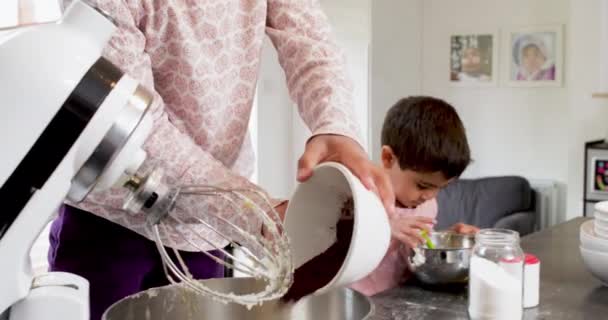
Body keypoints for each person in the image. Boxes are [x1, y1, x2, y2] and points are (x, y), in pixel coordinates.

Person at [50, 1, 394, 319]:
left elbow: (309, 41)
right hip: (109, 216)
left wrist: (336, 126)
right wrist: (252, 210)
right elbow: (138, 124)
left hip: (207, 228)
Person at [351, 96, 479, 296]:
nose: (430, 196)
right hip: (359, 303)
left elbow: (418, 249)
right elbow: (339, 246)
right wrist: (384, 229)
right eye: (423, 185)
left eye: (441, 188)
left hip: (401, 300)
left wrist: (446, 239)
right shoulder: (361, 195)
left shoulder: (427, 205)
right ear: (388, 158)